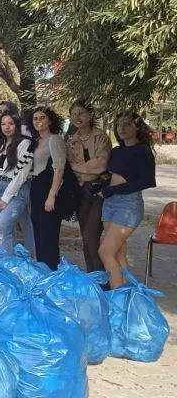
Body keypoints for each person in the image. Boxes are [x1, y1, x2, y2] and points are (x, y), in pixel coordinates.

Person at [99, 112, 156, 288]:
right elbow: (110, 175)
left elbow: (147, 181)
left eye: (127, 124)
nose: (122, 128)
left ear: (137, 127)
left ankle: (117, 297)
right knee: (118, 252)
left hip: (128, 205)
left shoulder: (142, 151)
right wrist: (101, 187)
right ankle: (126, 293)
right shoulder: (117, 150)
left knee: (105, 252)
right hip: (110, 203)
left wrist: (113, 189)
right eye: (119, 124)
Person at [66, 100, 112, 272]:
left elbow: (101, 166)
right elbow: (69, 165)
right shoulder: (71, 140)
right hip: (80, 191)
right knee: (85, 238)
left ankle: (102, 279)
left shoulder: (102, 137)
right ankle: (92, 276)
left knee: (91, 235)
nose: (77, 117)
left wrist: (78, 167)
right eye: (73, 114)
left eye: (82, 113)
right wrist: (87, 169)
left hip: (98, 190)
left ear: (90, 115)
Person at [0, 112, 35, 256]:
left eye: (10, 123)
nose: (7, 127)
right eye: (3, 124)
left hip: (16, 190)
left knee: (1, 228)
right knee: (4, 231)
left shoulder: (25, 144)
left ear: (17, 125)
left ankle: (4, 262)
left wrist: (6, 198)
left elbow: (21, 175)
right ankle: (8, 262)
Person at [27, 106, 68, 271]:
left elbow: (59, 168)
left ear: (50, 121)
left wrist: (52, 195)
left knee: (48, 235)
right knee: (38, 233)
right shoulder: (35, 141)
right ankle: (42, 272)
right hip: (35, 188)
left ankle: (52, 272)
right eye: (35, 118)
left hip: (48, 188)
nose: (38, 121)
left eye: (42, 118)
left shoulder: (55, 140)